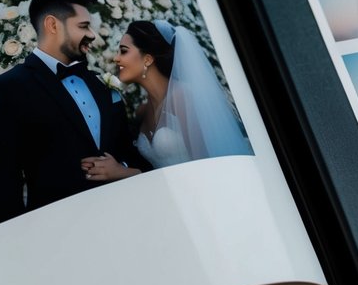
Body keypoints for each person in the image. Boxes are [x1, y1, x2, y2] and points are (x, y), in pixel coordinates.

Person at [0, 0, 140, 224]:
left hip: (124, 216)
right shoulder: (9, 88)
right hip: (58, 231)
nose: (93, 35)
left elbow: (127, 148)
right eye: (83, 26)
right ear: (53, 25)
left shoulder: (100, 83)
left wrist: (121, 168)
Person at [82, 19, 252, 178]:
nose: (116, 58)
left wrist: (124, 173)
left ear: (147, 59)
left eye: (124, 51)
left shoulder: (182, 98)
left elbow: (207, 168)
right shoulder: (142, 111)